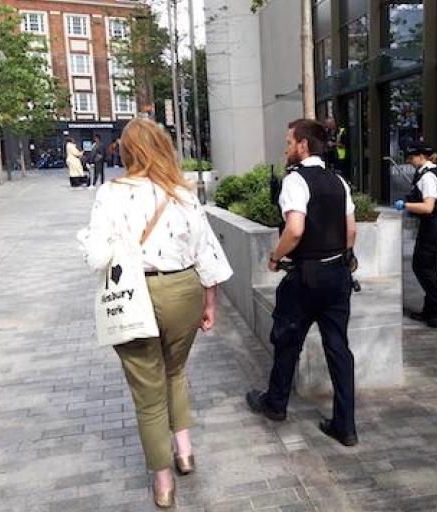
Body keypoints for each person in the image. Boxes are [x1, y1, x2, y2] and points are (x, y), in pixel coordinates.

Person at [77, 118, 232, 508]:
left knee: (148, 393)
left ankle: (164, 485)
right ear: (163, 147)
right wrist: (210, 304)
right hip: (183, 291)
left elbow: (96, 258)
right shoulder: (182, 192)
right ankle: (185, 452)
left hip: (134, 295)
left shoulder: (109, 193)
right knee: (175, 371)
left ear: (127, 152)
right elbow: (206, 251)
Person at [246, 118, 359, 447]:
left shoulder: (295, 180)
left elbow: (294, 229)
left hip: (306, 276)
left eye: (289, 142)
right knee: (338, 347)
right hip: (339, 274)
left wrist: (274, 257)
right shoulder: (339, 181)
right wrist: (345, 258)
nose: (286, 148)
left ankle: (276, 404)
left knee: (287, 339)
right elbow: (351, 231)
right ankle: (345, 426)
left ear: (303, 145)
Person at [395, 143, 437, 327]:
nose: (409, 160)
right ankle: (431, 311)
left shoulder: (428, 176)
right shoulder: (436, 172)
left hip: (432, 226)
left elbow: (428, 207)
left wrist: (404, 205)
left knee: (421, 267)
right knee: (431, 268)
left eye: (411, 157)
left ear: (422, 156)